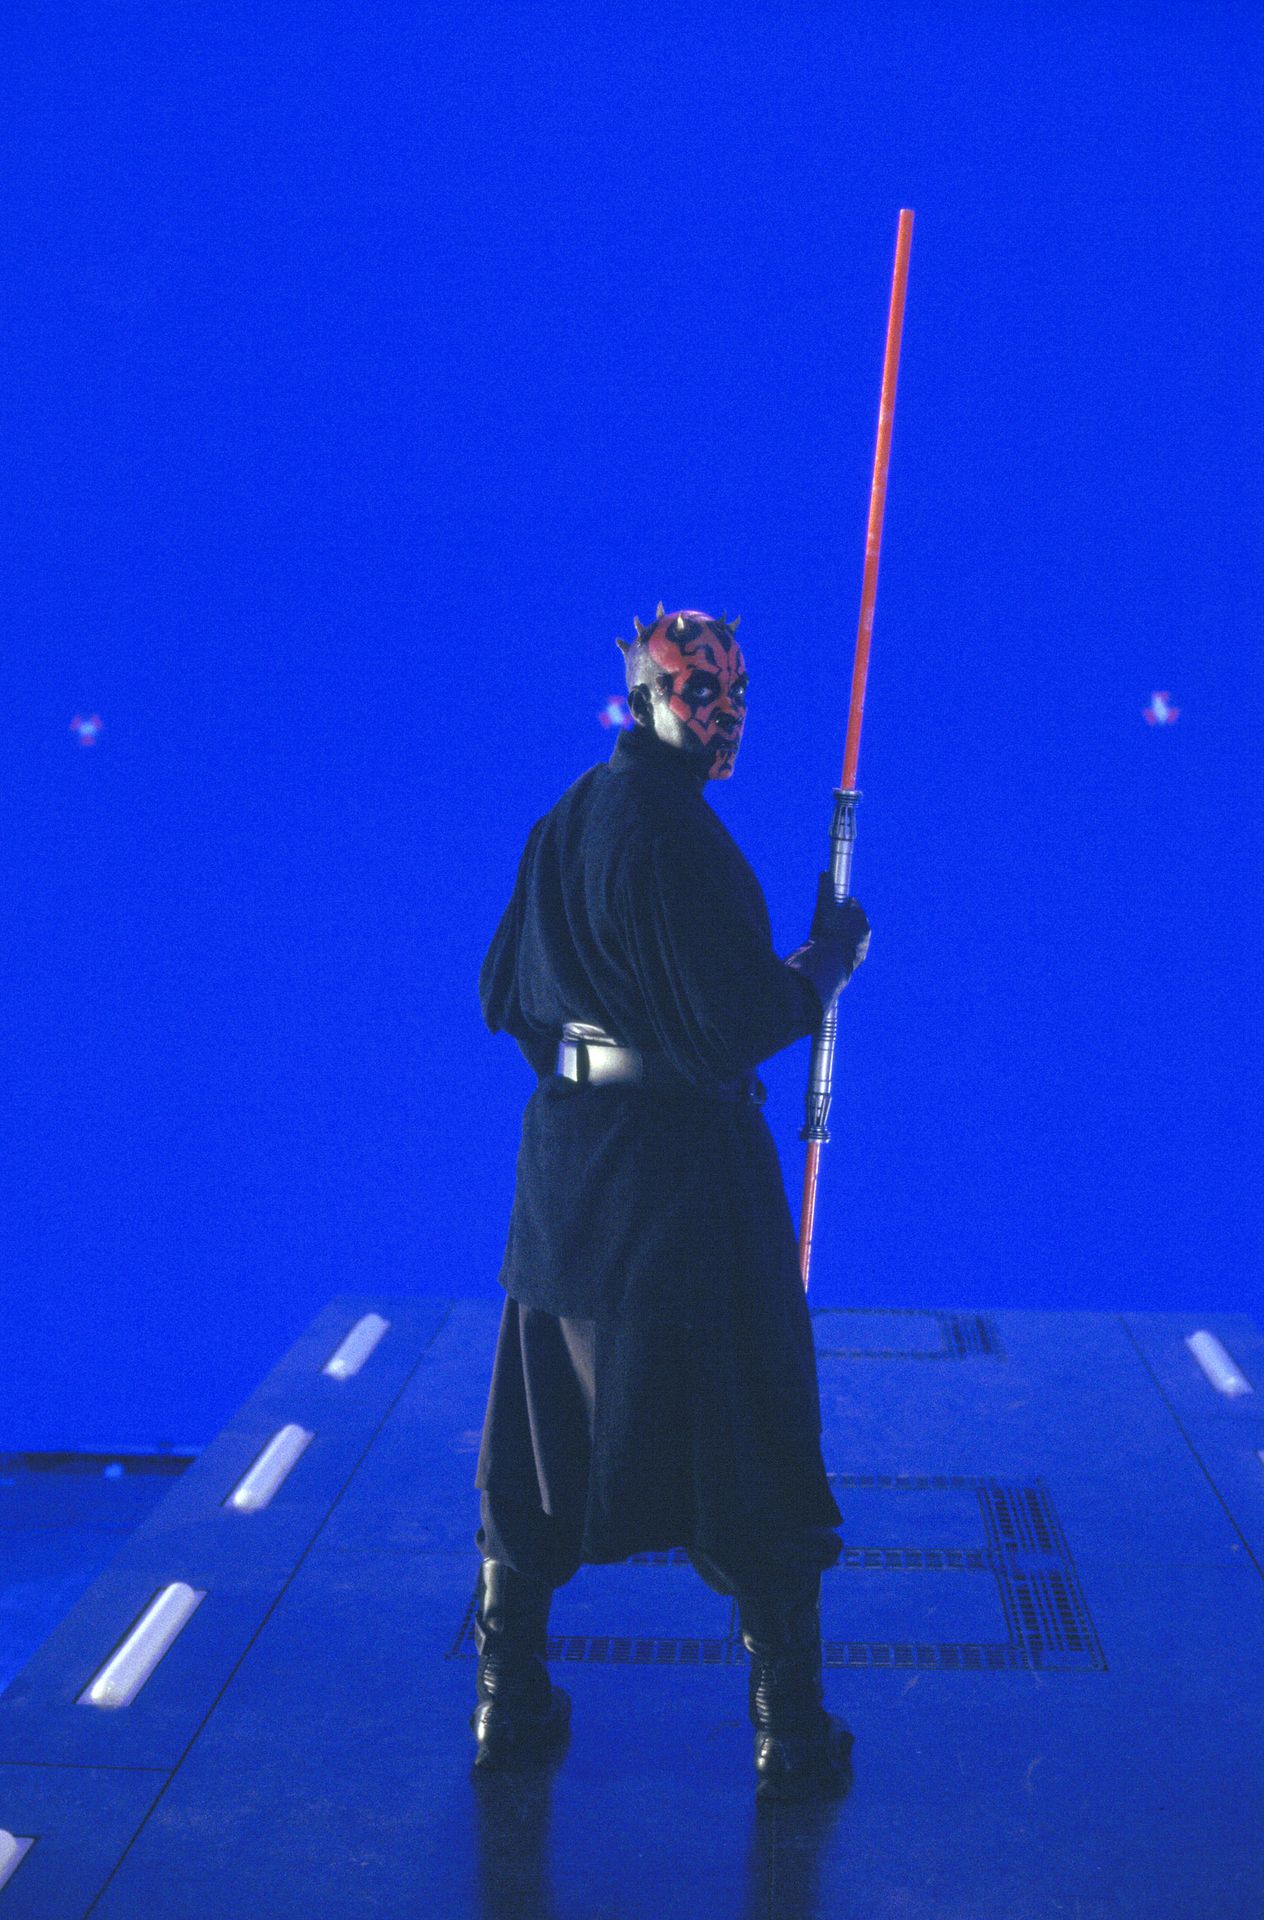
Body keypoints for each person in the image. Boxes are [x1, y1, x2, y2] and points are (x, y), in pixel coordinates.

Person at [471, 603, 871, 1800]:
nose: (723, 715)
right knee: (749, 1445)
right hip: (686, 1199)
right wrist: (823, 968)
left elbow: (506, 997)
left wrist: (599, 1068)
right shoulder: (679, 836)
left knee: (538, 1455)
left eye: (735, 694)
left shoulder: (567, 818)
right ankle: (790, 1730)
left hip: (568, 1185)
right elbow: (724, 1030)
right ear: (643, 694)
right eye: (700, 692)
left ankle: (508, 1702)